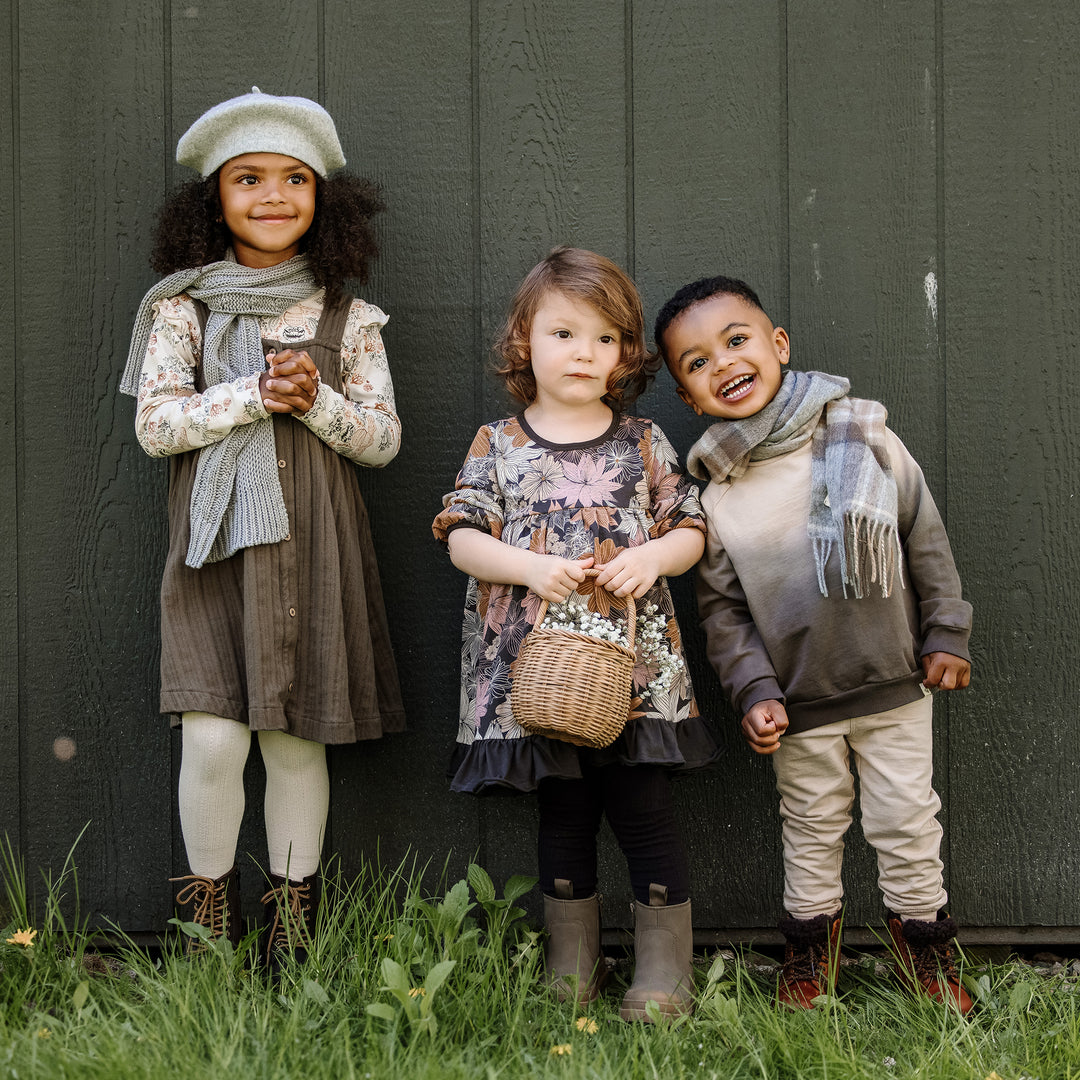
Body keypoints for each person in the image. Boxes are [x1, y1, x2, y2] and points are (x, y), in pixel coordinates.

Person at [119, 89, 405, 969]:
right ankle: (207, 946)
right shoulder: (183, 311)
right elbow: (155, 426)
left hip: (314, 554)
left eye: (294, 179)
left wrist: (314, 402)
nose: (273, 194)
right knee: (211, 736)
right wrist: (250, 395)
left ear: (325, 200)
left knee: (293, 736)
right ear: (215, 201)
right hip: (213, 556)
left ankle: (293, 946)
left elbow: (384, 441)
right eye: (249, 179)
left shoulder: (347, 318)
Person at [656, 274, 973, 1012]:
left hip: (894, 682)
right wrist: (755, 692)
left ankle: (925, 951)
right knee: (810, 825)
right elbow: (724, 616)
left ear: (777, 344)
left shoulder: (866, 436)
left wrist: (946, 632)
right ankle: (809, 956)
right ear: (687, 398)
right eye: (696, 362)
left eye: (736, 341)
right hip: (799, 703)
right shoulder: (718, 497)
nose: (724, 364)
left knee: (905, 822)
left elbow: (925, 538)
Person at [432, 247, 718, 1021]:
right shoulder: (498, 442)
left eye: (603, 337)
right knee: (563, 809)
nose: (583, 352)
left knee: (643, 805)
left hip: (630, 667)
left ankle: (664, 973)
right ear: (524, 341)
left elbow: (690, 526)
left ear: (626, 352)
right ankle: (572, 965)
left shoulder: (644, 441)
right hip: (537, 667)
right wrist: (524, 567)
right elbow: (459, 534)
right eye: (563, 333)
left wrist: (652, 557)